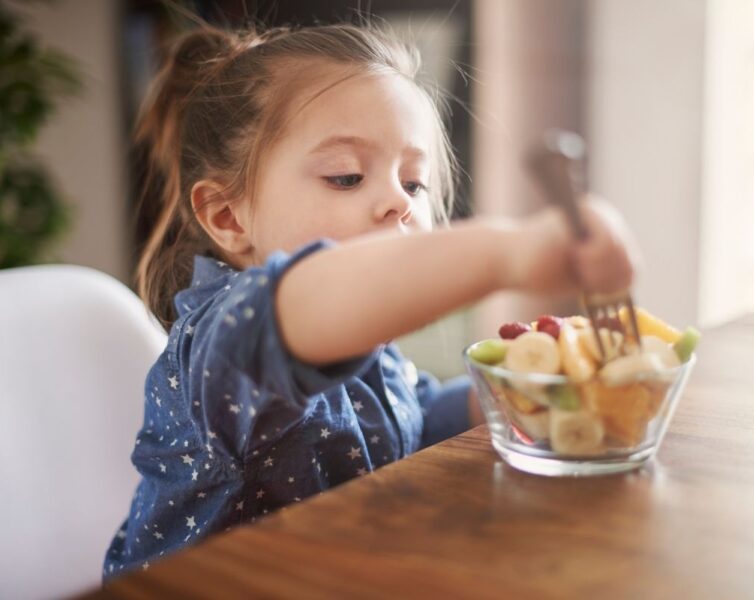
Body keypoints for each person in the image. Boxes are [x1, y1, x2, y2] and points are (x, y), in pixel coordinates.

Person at [104, 22, 638, 578]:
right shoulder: (227, 343)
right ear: (227, 217)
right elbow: (313, 297)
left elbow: (407, 421)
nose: (396, 202)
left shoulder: (364, 342)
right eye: (346, 177)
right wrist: (510, 251)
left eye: (414, 183)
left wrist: (509, 394)